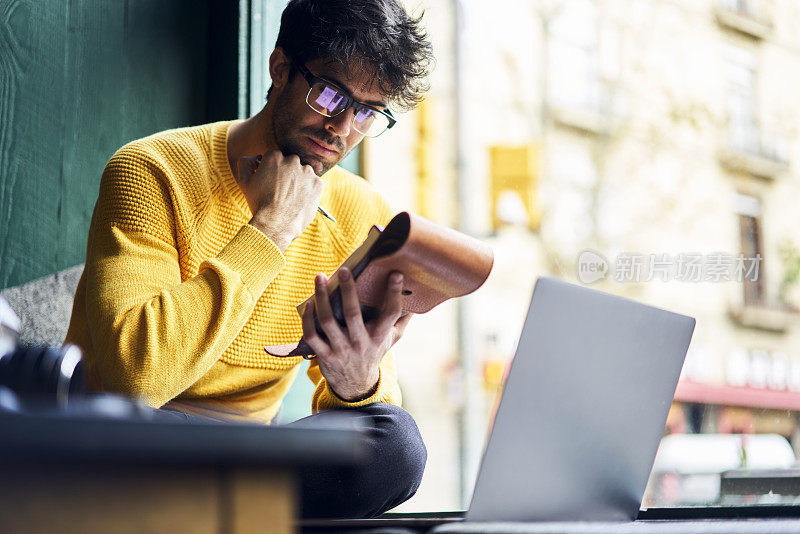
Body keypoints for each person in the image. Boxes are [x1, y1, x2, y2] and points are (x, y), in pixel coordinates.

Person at [63, 0, 434, 518]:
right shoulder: (151, 171)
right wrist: (270, 232)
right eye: (331, 94)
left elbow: (368, 414)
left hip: (246, 451)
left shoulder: (361, 210)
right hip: (134, 438)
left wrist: (358, 381)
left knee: (396, 444)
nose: (343, 129)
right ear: (280, 69)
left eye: (368, 112)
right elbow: (137, 378)